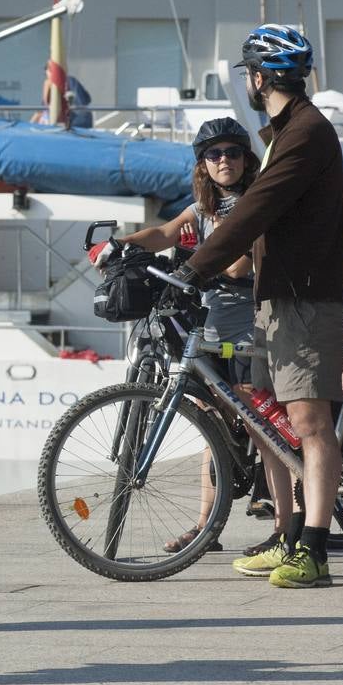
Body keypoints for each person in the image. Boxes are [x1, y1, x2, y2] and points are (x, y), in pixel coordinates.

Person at [175, 24, 343, 589]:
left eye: (248, 75)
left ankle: (315, 551)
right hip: (276, 298)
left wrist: (192, 268)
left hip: (305, 297)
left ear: (259, 77)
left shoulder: (306, 132)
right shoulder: (281, 130)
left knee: (310, 424)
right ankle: (289, 532)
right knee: (266, 417)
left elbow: (257, 208)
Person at [117, 118, 274, 556]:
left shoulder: (256, 202)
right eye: (214, 154)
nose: (224, 160)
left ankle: (288, 526)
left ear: (247, 159)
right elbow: (165, 233)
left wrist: (194, 263)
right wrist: (120, 244)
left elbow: (239, 266)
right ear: (203, 164)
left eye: (233, 153)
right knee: (208, 421)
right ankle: (206, 528)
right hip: (214, 324)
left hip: (251, 323)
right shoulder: (205, 208)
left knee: (259, 422)